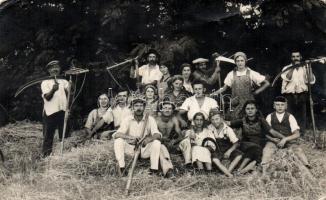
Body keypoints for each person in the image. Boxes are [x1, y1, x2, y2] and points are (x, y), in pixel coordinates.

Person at [113, 96, 174, 177]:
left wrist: (148, 140)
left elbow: (158, 134)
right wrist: (130, 138)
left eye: (141, 106)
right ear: (132, 108)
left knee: (156, 142)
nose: (139, 108)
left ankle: (154, 170)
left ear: (144, 107)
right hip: (131, 149)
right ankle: (122, 168)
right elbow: (117, 134)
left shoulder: (150, 119)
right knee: (118, 141)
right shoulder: (127, 119)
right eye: (136, 106)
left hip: (144, 150)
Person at [228, 100, 282, 175]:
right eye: (248, 109)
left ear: (256, 110)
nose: (250, 111)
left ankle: (240, 171)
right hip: (245, 144)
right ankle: (240, 169)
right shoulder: (242, 121)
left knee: (259, 153)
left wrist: (285, 138)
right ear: (245, 110)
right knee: (255, 149)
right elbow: (228, 123)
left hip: (259, 143)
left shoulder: (261, 120)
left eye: (252, 108)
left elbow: (272, 131)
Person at [261, 96, 311, 175]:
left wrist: (285, 139)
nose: (280, 107)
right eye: (277, 105)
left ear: (286, 106)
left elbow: (297, 134)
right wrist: (272, 139)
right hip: (274, 141)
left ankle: (306, 166)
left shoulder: (290, 117)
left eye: (282, 105)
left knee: (297, 149)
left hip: (288, 140)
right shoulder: (269, 116)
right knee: (267, 149)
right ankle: (264, 169)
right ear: (274, 106)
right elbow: (265, 133)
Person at [214, 52, 270, 120]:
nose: (240, 63)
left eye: (242, 60)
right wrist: (213, 94)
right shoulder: (231, 74)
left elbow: (267, 83)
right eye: (238, 61)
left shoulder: (251, 73)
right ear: (235, 62)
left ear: (245, 61)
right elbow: (224, 88)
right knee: (234, 122)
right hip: (236, 104)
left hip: (248, 104)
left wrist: (256, 92)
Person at [281, 50, 315, 133]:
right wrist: (293, 67)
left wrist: (309, 67)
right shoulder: (286, 68)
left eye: (297, 56)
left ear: (300, 57)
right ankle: (290, 133)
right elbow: (287, 77)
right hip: (289, 95)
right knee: (289, 115)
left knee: (301, 115)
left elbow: (310, 81)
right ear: (291, 58)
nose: (295, 58)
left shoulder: (305, 68)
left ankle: (301, 133)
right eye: (293, 56)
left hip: (302, 95)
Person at [41, 60, 69, 157]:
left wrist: (71, 86)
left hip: (62, 111)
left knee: (64, 134)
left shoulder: (64, 81)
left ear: (60, 69)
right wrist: (53, 89)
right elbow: (47, 97)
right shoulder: (45, 82)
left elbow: (71, 93)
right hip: (50, 112)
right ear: (49, 70)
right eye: (52, 68)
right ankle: (46, 156)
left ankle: (64, 155)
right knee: (48, 135)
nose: (55, 69)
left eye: (57, 67)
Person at [208, 109, 243, 177]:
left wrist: (229, 151)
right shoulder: (209, 128)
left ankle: (227, 172)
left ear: (221, 118)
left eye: (217, 119)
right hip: (217, 150)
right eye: (212, 119)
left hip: (227, 149)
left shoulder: (227, 129)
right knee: (214, 159)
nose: (215, 122)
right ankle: (229, 175)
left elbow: (236, 143)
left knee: (239, 155)